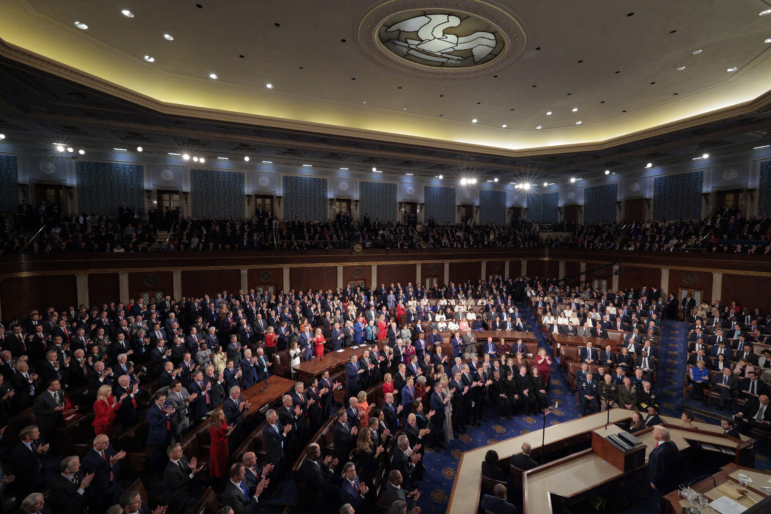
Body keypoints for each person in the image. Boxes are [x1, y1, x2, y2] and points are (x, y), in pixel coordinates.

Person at [81, 434, 126, 513]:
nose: (107, 444)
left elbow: (114, 455)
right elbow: (95, 476)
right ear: (95, 444)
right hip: (100, 490)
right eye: (104, 443)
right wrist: (111, 465)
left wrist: (119, 456)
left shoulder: (108, 447)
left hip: (111, 483)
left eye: (108, 441)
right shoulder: (89, 460)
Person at [163, 443, 204, 514]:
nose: (182, 451)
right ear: (172, 455)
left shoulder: (182, 458)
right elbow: (178, 484)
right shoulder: (170, 470)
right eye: (179, 451)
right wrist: (192, 474)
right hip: (175, 500)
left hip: (184, 494)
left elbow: (186, 470)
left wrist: (191, 468)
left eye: (181, 449)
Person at [648, 426, 680, 511]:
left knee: (664, 501)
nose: (652, 432)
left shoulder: (662, 452)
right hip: (672, 478)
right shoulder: (671, 443)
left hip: (665, 483)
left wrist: (654, 482)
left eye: (654, 431)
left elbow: (660, 469)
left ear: (660, 436)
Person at [210, 407, 234, 480]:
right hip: (218, 449)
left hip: (224, 446)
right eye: (221, 414)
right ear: (216, 416)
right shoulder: (213, 428)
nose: (223, 414)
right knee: (219, 466)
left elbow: (223, 427)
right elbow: (216, 441)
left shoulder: (223, 420)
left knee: (225, 463)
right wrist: (227, 435)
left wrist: (228, 428)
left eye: (223, 412)